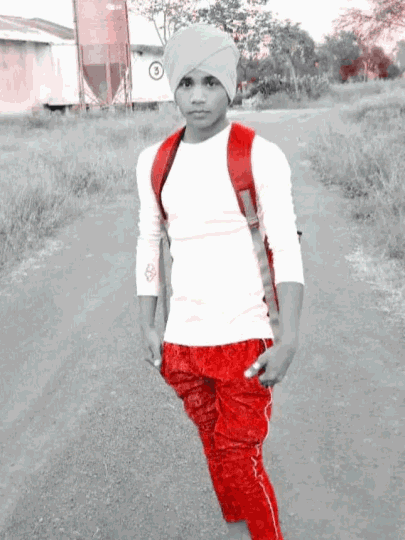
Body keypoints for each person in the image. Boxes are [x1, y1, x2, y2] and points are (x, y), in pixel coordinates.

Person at [136, 23, 305, 540]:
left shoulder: (259, 154)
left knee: (238, 456)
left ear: (230, 85)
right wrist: (148, 325)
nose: (197, 96)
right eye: (186, 83)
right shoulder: (154, 161)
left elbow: (285, 246)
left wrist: (289, 338)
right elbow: (149, 241)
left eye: (210, 82)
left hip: (245, 339)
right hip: (183, 346)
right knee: (218, 452)